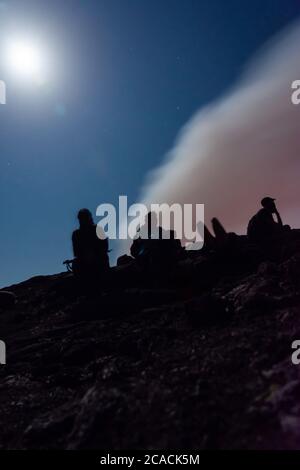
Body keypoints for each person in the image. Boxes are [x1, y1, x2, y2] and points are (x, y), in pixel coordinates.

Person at [72, 208, 109, 281]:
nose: (82, 220)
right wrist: (85, 256)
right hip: (84, 262)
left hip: (99, 259)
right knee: (76, 264)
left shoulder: (98, 230)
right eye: (81, 218)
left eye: (84, 218)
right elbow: (76, 252)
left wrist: (94, 254)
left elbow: (105, 247)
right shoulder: (76, 234)